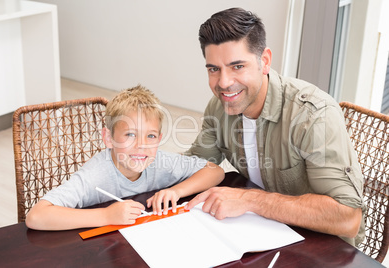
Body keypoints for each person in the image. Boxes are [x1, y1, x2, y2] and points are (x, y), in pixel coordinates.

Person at [185, 7, 365, 246]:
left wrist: (250, 200)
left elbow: (347, 218)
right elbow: (194, 164)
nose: (224, 83)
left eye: (238, 66)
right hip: (262, 231)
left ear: (265, 61)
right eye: (214, 69)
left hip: (321, 248)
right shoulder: (219, 107)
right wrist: (135, 164)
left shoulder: (313, 116)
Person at [26, 85, 224, 230]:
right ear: (109, 138)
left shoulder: (160, 161)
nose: (141, 145)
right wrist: (106, 215)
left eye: (151, 136)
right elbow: (36, 216)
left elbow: (215, 171)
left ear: (159, 139)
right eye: (130, 134)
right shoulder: (95, 175)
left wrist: (175, 191)